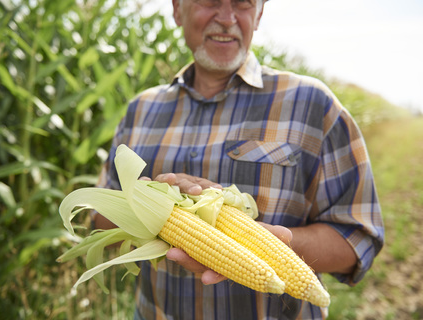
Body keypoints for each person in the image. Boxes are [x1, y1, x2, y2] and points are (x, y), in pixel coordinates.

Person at [93, 0, 385, 319]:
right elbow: (100, 222)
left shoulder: (312, 104)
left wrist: (273, 243)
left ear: (259, 13)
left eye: (243, 4)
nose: (227, 18)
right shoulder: (140, 110)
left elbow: (357, 239)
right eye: (210, 1)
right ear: (177, 9)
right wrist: (155, 209)